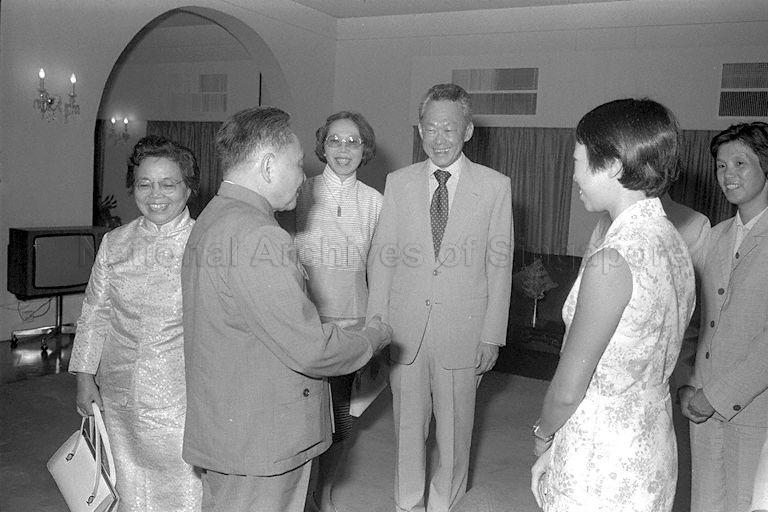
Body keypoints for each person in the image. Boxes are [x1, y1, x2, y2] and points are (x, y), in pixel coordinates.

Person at [181, 106, 391, 512]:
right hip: (262, 439)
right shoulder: (262, 235)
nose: (301, 175)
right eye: (296, 164)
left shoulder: (213, 216)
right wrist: (372, 336)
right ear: (267, 165)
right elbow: (312, 349)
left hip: (232, 425)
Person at [530, 98, 696, 512]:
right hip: (652, 448)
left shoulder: (613, 259)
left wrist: (543, 434)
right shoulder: (673, 243)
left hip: (599, 460)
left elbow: (568, 391)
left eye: (578, 161)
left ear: (614, 166)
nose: (574, 176)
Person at [367, 83, 514, 512]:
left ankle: (445, 505)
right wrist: (377, 326)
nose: (439, 139)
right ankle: (407, 503)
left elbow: (498, 265)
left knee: (454, 435)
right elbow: (383, 259)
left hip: (463, 334)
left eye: (449, 129)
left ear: (468, 131)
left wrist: (492, 334)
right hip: (405, 333)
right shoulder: (399, 183)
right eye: (430, 129)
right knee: (407, 432)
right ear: (420, 130)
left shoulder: (495, 187)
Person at [69, 135, 202, 511]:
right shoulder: (115, 242)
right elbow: (95, 313)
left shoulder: (206, 244)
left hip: (183, 398)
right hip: (118, 395)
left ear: (189, 188)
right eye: (144, 183)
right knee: (126, 488)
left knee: (184, 491)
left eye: (168, 183)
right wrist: (83, 377)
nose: (155, 193)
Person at [293, 111, 383, 512]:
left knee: (341, 419)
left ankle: (324, 493)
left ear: (365, 149)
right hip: (303, 324)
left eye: (353, 141)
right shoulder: (300, 193)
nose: (343, 149)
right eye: (335, 140)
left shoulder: (376, 202)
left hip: (351, 326)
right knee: (302, 418)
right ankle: (300, 495)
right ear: (322, 146)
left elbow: (382, 268)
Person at [679, 121, 768, 512]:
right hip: (702, 402)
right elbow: (697, 322)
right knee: (705, 503)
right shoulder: (714, 237)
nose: (728, 175)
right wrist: (689, 384)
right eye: (720, 166)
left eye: (741, 163)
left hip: (754, 407)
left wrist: (716, 396)